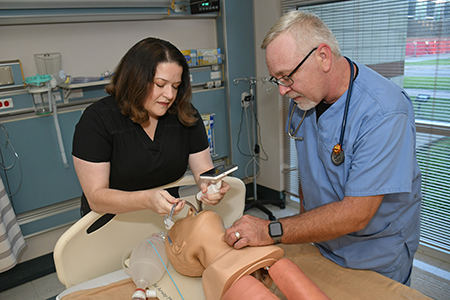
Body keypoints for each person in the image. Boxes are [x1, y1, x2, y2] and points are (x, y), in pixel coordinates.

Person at [223, 10, 422, 286]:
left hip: (374, 254)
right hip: (322, 241)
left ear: (323, 57)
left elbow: (357, 213)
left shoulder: (385, 112)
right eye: (276, 80)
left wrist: (273, 229)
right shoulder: (303, 98)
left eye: (287, 77)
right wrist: (304, 232)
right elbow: (311, 171)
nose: (282, 90)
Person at [72, 37, 230, 217]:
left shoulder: (184, 115)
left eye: (176, 86)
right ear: (135, 80)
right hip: (110, 225)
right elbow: (96, 198)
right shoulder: (97, 120)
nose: (169, 95)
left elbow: (203, 171)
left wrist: (210, 186)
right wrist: (146, 200)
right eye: (160, 85)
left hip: (165, 221)